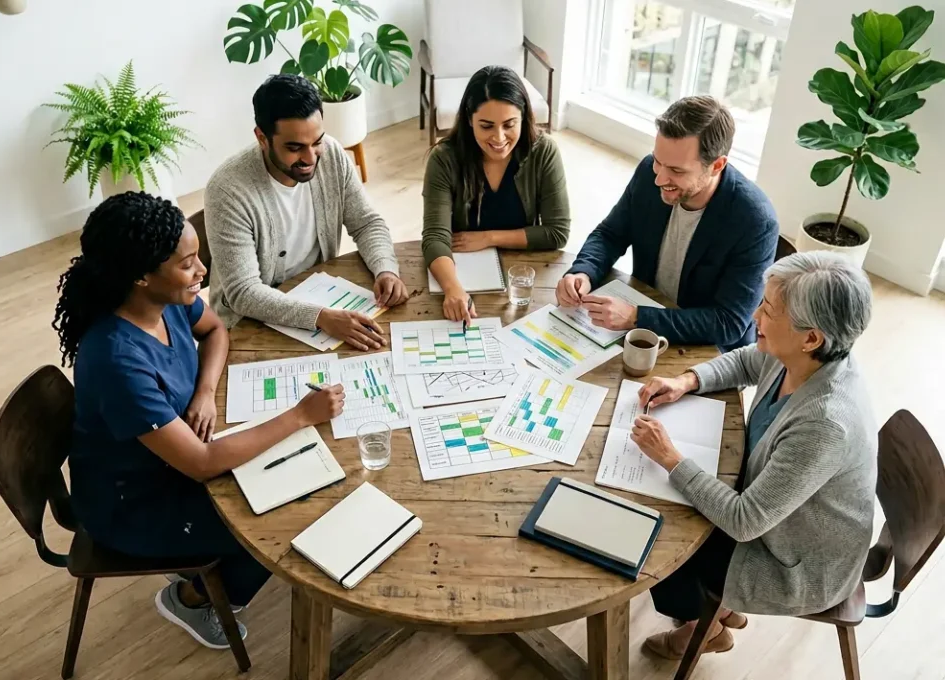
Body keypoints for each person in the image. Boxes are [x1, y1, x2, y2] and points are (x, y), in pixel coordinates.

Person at [54, 192, 346, 649]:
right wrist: (299, 416)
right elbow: (203, 462)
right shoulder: (116, 359)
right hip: (133, 502)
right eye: (188, 264)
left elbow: (214, 330)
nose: (202, 272)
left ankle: (204, 566)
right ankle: (190, 598)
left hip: (174, 454)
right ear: (141, 276)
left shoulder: (163, 300)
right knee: (284, 518)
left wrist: (206, 392)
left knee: (296, 478)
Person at [629, 252, 877, 658]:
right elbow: (750, 359)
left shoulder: (825, 423)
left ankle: (702, 629)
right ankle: (718, 611)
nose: (754, 315)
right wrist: (688, 380)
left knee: (656, 538)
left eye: (767, 309)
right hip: (777, 515)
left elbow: (745, 523)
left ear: (811, 337)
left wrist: (670, 458)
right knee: (673, 505)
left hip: (796, 560)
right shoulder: (804, 357)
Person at [555, 96, 778, 352]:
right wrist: (583, 271)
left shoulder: (755, 221)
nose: (660, 178)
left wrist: (636, 317)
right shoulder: (649, 171)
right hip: (641, 319)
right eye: (658, 161)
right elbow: (610, 234)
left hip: (706, 348)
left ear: (716, 165)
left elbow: (728, 323)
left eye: (676, 171)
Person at [205, 74, 408, 351]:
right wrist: (320, 317)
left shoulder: (332, 155)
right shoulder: (228, 190)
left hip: (319, 299)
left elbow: (367, 223)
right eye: (295, 147)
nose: (311, 158)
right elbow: (244, 293)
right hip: (247, 324)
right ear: (262, 138)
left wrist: (386, 269)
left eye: (317, 142)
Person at [421, 65, 570, 321]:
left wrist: (489, 237)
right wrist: (453, 288)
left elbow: (557, 232)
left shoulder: (544, 152)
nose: (499, 138)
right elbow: (435, 236)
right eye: (486, 126)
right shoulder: (443, 159)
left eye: (509, 124)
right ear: (469, 120)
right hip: (461, 272)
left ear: (524, 116)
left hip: (521, 278)